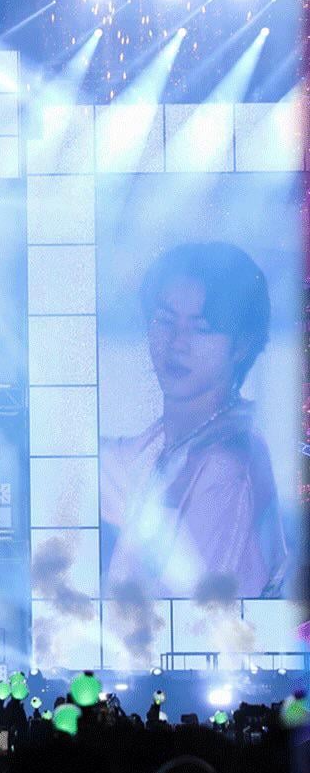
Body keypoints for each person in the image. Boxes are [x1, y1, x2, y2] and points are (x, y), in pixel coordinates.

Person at [100, 241, 286, 599]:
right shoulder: (166, 441)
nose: (177, 342)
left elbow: (184, 613)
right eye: (165, 321)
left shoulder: (227, 466)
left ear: (241, 345)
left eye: (200, 329)